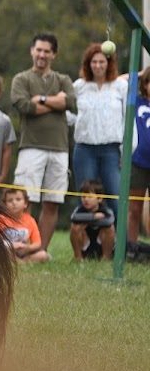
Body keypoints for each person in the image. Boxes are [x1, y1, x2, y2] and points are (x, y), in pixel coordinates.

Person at [11, 32, 77, 256]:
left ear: (54, 54)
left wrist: (40, 99)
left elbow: (71, 101)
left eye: (47, 51)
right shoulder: (22, 79)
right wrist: (55, 102)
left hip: (59, 150)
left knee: (52, 202)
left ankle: (41, 252)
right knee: (24, 202)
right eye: (38, 50)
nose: (42, 54)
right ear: (32, 51)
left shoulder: (63, 79)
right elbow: (24, 106)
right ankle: (21, 251)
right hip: (31, 147)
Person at [72, 42, 127, 208]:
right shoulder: (79, 86)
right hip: (84, 150)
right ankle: (86, 234)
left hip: (112, 150)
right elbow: (69, 114)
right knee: (87, 199)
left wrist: (126, 151)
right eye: (94, 62)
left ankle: (120, 235)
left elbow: (128, 120)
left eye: (102, 62)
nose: (98, 65)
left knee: (116, 197)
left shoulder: (120, 86)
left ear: (109, 63)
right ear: (88, 64)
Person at [0, 188, 50, 263]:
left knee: (43, 255)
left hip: (23, 252)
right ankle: (18, 262)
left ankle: (20, 261)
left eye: (18, 199)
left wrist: (27, 248)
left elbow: (37, 243)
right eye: (10, 200)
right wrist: (11, 246)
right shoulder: (0, 219)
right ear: (5, 204)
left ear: (25, 204)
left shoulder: (30, 220)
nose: (14, 203)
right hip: (6, 251)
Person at [129, 67, 150, 251]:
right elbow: (121, 81)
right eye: (149, 81)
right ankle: (132, 247)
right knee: (134, 208)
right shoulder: (136, 102)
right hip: (138, 162)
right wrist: (140, 73)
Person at [69, 179, 115, 261]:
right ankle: (78, 257)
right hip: (85, 243)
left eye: (89, 197)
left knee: (110, 228)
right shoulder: (79, 210)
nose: (86, 199)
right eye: (83, 197)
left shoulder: (105, 210)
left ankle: (106, 258)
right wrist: (93, 217)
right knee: (75, 227)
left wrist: (86, 220)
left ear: (99, 199)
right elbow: (74, 218)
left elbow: (110, 220)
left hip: (100, 243)